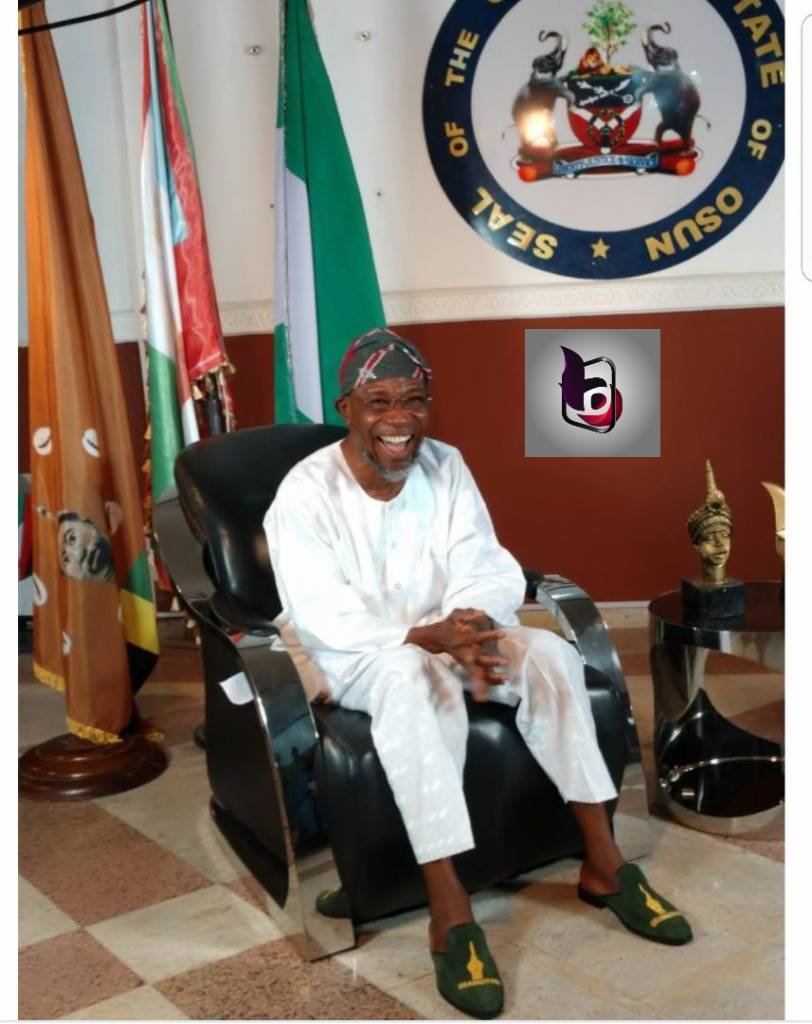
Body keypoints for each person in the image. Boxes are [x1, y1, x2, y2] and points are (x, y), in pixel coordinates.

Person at [264, 328, 691, 1019]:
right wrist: (427, 638)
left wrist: (470, 625)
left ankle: (604, 863)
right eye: (379, 402)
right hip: (365, 653)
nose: (399, 419)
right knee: (411, 678)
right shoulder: (305, 492)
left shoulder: (446, 464)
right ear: (347, 406)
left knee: (551, 654)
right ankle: (452, 912)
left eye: (413, 400)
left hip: (455, 630)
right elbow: (319, 612)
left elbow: (483, 559)